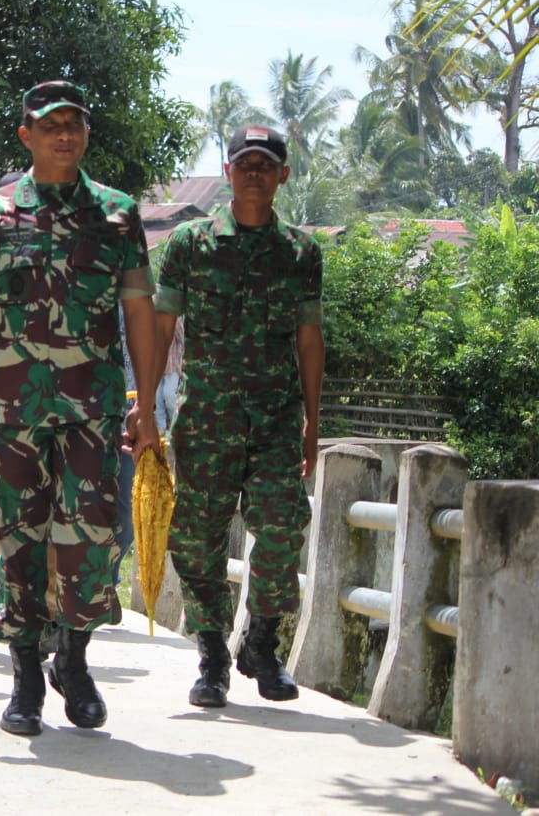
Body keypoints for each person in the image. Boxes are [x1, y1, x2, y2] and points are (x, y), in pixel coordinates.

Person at [0, 81, 159, 736]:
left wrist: (146, 404)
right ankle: (27, 673)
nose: (65, 134)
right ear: (26, 134)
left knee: (90, 539)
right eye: (50, 124)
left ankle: (77, 659)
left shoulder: (117, 214)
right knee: (21, 542)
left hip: (92, 410)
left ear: (86, 132)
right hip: (12, 411)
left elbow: (139, 311)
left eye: (75, 124)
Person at [149, 126, 324, 709]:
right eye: (244, 163)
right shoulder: (191, 244)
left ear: (282, 176)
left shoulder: (301, 252)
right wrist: (145, 407)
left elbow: (309, 341)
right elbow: (162, 328)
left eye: (265, 165)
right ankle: (212, 655)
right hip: (206, 422)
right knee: (196, 544)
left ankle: (262, 644)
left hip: (275, 421)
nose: (253, 173)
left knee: (281, 530)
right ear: (228, 171)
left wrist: (313, 424)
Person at [155, 317, 184, 432]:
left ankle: (177, 424)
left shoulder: (175, 317)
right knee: (157, 398)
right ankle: (161, 429)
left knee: (169, 395)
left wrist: (182, 358)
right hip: (157, 365)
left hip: (172, 364)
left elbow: (182, 339)